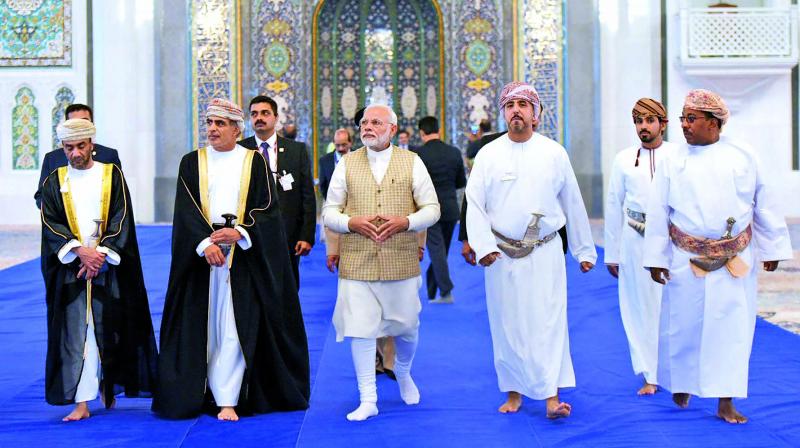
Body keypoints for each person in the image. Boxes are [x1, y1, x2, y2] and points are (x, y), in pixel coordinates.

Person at [154, 98, 310, 421]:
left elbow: (268, 211)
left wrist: (240, 232)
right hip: (201, 261)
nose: (212, 129)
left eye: (220, 123)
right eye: (209, 123)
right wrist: (203, 243)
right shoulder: (191, 162)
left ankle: (228, 397)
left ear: (237, 129)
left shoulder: (254, 162)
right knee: (204, 328)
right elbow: (185, 211)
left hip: (242, 261)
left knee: (233, 327)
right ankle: (204, 391)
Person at [643, 89, 793, 424]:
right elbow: (658, 211)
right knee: (683, 326)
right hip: (686, 258)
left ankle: (726, 401)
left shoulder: (743, 155)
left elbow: (763, 202)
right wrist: (656, 257)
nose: (683, 125)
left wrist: (773, 248)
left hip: (733, 262)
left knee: (731, 330)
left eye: (691, 118)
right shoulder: (672, 160)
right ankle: (682, 384)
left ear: (714, 123)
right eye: (682, 118)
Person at [465, 81, 596, 418]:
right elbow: (475, 205)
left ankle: (551, 397)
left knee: (548, 322)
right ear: (504, 113)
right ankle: (514, 392)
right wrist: (482, 246)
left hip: (545, 252)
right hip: (501, 254)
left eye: (524, 105)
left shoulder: (554, 153)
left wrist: (584, 250)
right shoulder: (488, 154)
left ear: (536, 115)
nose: (517, 111)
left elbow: (573, 203)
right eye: (510, 106)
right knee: (507, 323)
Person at [322, 104, 440, 421]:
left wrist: (406, 221)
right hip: (357, 261)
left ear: (392, 128)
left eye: (376, 122)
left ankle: (403, 371)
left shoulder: (412, 162)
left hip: (400, 259)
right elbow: (329, 211)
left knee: (407, 327)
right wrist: (350, 224)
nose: (368, 126)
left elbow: (432, 208)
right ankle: (368, 399)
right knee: (360, 329)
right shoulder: (346, 164)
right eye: (364, 122)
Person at [39, 118, 157, 421]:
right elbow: (50, 221)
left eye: (81, 146)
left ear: (92, 144)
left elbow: (122, 215)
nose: (76, 153)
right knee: (78, 331)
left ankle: (109, 383)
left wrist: (100, 255)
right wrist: (80, 252)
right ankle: (81, 402)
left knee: (112, 327)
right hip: (73, 268)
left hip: (108, 266)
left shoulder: (110, 174)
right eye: (69, 148)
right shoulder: (55, 179)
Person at [604, 98, 676, 396]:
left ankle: (674, 372)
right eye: (638, 121)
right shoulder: (623, 159)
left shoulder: (678, 156)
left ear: (663, 123)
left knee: (670, 308)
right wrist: (612, 252)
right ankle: (649, 373)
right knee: (637, 307)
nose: (643, 127)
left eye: (649, 121)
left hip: (671, 243)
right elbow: (613, 204)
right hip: (634, 240)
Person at [239, 95, 316, 288]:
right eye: (254, 114)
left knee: (286, 289)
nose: (259, 118)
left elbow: (307, 196)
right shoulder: (240, 150)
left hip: (287, 235)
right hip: (249, 234)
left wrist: (306, 236)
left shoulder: (296, 150)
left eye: (265, 113)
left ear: (275, 117)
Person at [415, 116, 466, 303]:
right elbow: (461, 182)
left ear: (422, 133)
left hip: (429, 210)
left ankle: (445, 292)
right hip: (451, 209)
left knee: (437, 252)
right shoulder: (453, 152)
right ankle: (431, 290)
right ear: (439, 130)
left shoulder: (417, 154)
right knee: (441, 253)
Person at [35, 104, 122, 209]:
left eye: (84, 122)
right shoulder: (52, 158)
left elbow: (119, 196)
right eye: (74, 123)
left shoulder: (108, 155)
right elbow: (42, 196)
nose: (79, 127)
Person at [319, 128, 353, 200]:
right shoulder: (324, 161)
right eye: (337, 145)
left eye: (344, 145)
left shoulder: (360, 157)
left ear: (350, 143)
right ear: (333, 143)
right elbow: (323, 185)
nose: (341, 148)